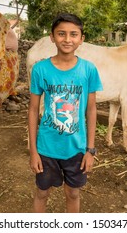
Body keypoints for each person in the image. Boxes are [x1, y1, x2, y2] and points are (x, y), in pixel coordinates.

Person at [28, 13, 103, 213]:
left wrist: (90, 150)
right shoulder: (40, 69)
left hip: (76, 149)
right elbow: (33, 110)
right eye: (61, 34)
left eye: (73, 34)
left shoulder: (88, 70)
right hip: (46, 148)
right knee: (42, 193)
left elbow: (91, 109)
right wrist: (33, 151)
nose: (67, 39)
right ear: (52, 37)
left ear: (81, 39)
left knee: (73, 193)